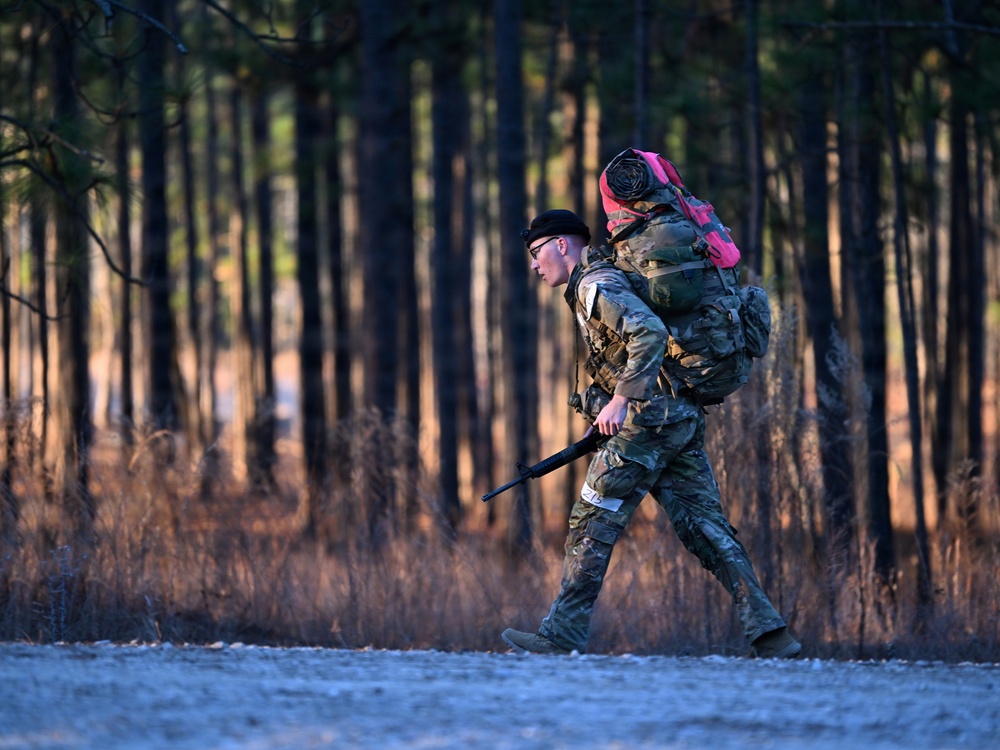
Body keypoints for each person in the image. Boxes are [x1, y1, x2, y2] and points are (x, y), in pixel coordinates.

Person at [500, 208, 801, 659]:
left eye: (538, 252)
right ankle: (771, 633)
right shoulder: (601, 280)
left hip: (646, 421)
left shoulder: (593, 283)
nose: (534, 264)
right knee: (706, 527)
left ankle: (560, 635)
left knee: (593, 518)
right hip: (678, 416)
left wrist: (621, 400)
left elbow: (649, 332)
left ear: (562, 245)